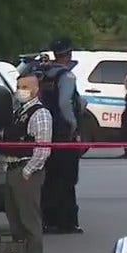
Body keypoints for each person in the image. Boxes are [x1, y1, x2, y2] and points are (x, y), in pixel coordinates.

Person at [0, 72, 53, 253]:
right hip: (13, 168)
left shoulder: (39, 114)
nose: (20, 91)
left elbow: (43, 148)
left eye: (25, 87)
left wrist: (28, 171)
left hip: (26, 170)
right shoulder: (19, 111)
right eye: (19, 86)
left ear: (36, 90)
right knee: (14, 218)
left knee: (29, 219)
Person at [39, 38, 85, 234]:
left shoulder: (46, 74)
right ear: (69, 54)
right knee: (67, 178)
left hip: (47, 130)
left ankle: (49, 219)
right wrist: (73, 124)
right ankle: (66, 221)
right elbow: (65, 103)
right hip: (63, 133)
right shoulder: (66, 76)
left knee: (50, 177)